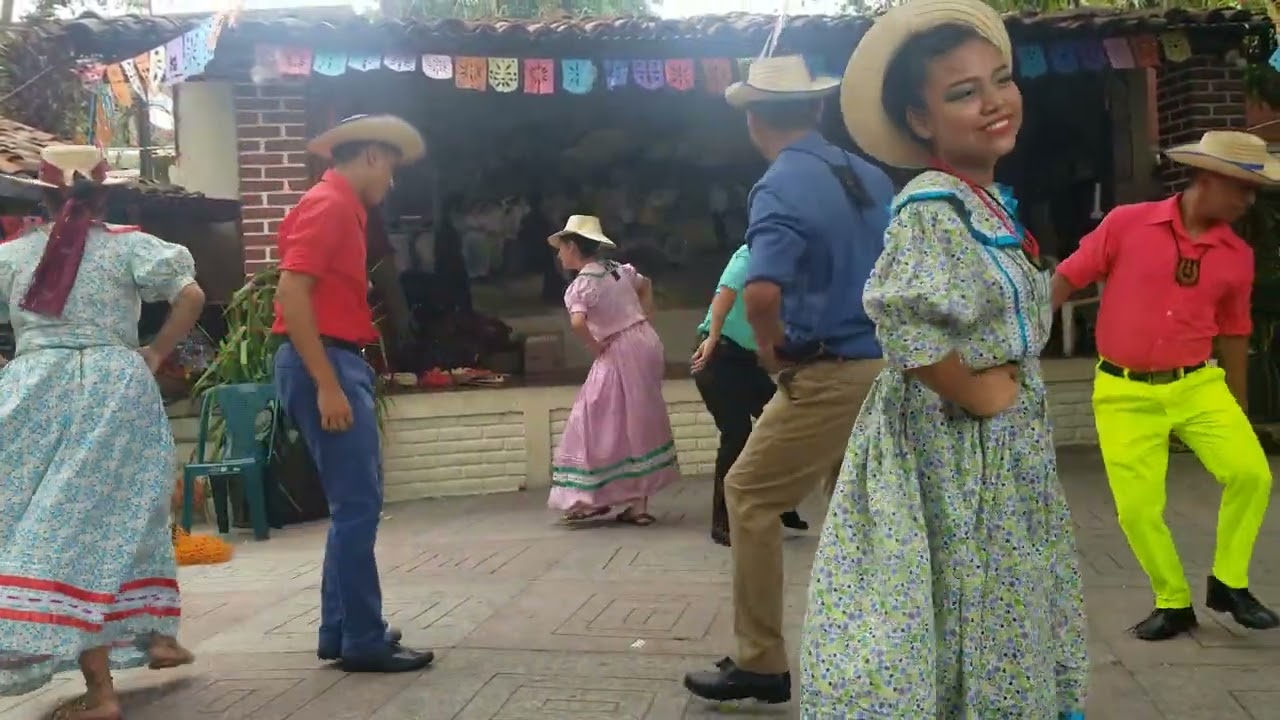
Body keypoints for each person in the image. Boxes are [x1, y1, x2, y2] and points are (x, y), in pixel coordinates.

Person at [797, 2, 1090, 716]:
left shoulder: (981, 199)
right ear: (920, 120)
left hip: (995, 450)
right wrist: (976, 393)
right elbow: (904, 323)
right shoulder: (935, 205)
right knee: (973, 610)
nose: (994, 102)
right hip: (959, 455)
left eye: (1000, 80)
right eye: (963, 92)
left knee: (989, 611)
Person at [683, 54, 894, 704]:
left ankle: (761, 661)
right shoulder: (869, 175)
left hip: (829, 369)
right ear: (819, 109)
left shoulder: (780, 184)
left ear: (753, 119)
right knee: (863, 515)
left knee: (748, 493)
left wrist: (774, 358)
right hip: (886, 365)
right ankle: (887, 649)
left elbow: (761, 292)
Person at [1052, 129, 1280, 642]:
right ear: (1207, 177)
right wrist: (1021, 335)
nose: (1248, 200)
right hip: (1123, 391)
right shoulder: (1127, 224)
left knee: (1251, 474)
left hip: (1198, 385)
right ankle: (1173, 601)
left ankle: (1229, 582)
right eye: (1243, 187)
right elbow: (1067, 277)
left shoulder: (1236, 255)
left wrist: (1238, 407)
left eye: (1254, 191)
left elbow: (1235, 331)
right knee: (1137, 508)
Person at [0, 145, 203, 719]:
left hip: (36, 387)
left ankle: (103, 689)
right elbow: (190, 295)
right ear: (104, 193)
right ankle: (154, 634)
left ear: (40, 195)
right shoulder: (129, 245)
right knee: (127, 512)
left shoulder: (13, 256)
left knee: (56, 525)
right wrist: (157, 351)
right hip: (119, 384)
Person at [271, 115, 434, 674]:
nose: (391, 180)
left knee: (352, 507)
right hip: (328, 360)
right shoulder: (331, 205)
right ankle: (362, 637)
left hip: (334, 359)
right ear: (369, 157)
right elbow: (292, 293)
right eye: (389, 167)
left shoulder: (340, 205)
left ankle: (342, 630)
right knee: (358, 507)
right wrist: (327, 384)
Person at [547, 215, 679, 526]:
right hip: (644, 341)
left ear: (572, 246)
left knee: (593, 417)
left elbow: (578, 323)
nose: (559, 255)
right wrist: (645, 313)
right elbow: (645, 284)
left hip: (620, 348)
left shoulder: (582, 285)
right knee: (635, 418)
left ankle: (590, 497)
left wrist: (594, 347)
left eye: (561, 248)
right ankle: (635, 503)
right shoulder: (618, 270)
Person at [690, 243, 807, 547]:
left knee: (780, 422)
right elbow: (723, 298)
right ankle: (723, 522)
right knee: (737, 434)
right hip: (716, 356)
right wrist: (712, 337)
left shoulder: (782, 269)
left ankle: (781, 503)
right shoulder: (749, 256)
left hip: (745, 360)